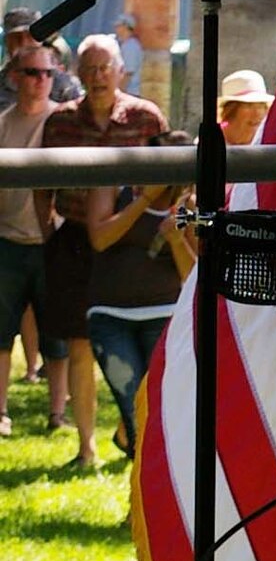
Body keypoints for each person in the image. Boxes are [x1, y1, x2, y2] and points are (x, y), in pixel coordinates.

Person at [36, 33, 167, 468]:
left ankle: (132, 431)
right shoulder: (60, 122)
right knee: (78, 343)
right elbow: (41, 187)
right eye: (89, 69)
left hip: (129, 239)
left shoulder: (147, 118)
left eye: (104, 68)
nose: (96, 77)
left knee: (141, 345)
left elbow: (169, 176)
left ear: (121, 71)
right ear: (77, 74)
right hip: (74, 238)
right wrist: (46, 232)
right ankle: (86, 445)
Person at [83, 132, 195, 459]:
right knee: (134, 406)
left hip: (165, 315)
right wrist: (144, 201)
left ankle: (143, 498)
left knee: (157, 408)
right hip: (110, 315)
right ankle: (141, 498)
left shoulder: (189, 203)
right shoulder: (114, 184)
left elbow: (194, 277)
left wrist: (176, 241)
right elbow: (100, 238)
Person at [0, 44, 69, 435]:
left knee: (56, 337)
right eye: (32, 73)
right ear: (15, 78)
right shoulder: (3, 125)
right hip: (7, 243)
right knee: (0, 334)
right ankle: (0, 412)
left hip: (51, 244)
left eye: (47, 73)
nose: (41, 81)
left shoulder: (63, 123)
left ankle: (57, 413)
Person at [0, 8, 83, 107]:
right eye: (16, 37)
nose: (24, 43)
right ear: (7, 42)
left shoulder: (63, 84)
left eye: (30, 36)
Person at [218, 68, 275, 146]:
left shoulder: (272, 142)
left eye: (261, 105)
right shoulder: (209, 143)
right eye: (248, 105)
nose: (257, 113)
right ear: (229, 111)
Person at [113, 14, 144, 90]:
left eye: (118, 25)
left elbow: (128, 73)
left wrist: (118, 92)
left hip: (130, 92)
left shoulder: (131, 46)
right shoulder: (124, 44)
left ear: (125, 27)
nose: (116, 28)